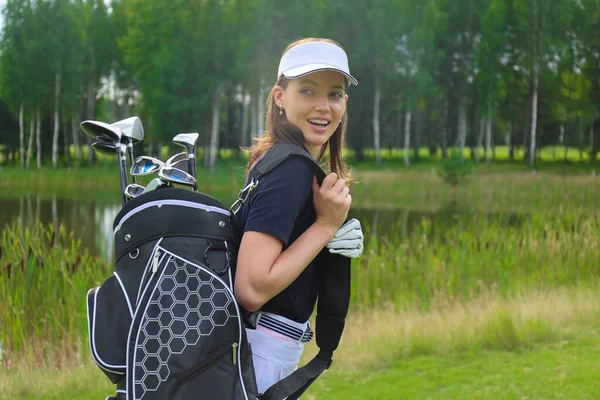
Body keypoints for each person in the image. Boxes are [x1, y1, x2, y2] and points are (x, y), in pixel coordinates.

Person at [233, 38, 364, 396]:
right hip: (261, 354)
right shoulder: (289, 169)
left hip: (258, 348)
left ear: (345, 103)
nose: (323, 107)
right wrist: (324, 227)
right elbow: (251, 287)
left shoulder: (276, 160)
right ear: (279, 96)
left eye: (334, 94)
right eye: (307, 90)